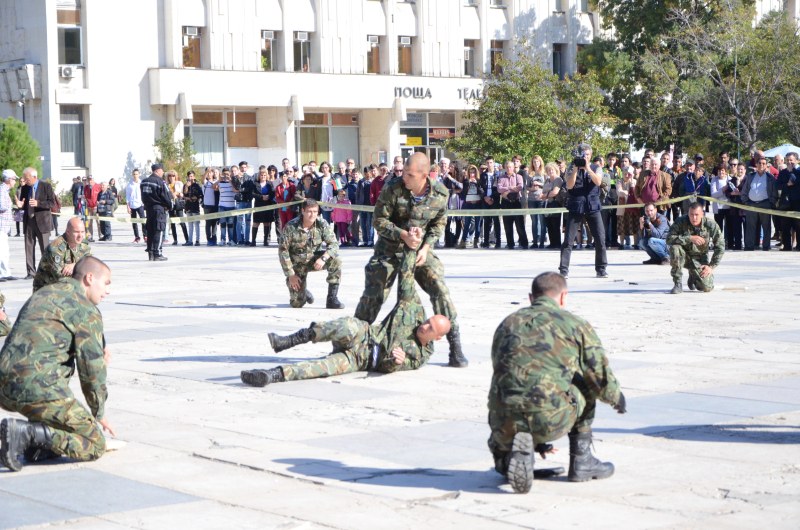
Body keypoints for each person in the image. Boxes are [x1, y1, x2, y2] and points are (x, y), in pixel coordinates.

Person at [488, 272, 626, 493]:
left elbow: (500, 368)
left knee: (514, 382)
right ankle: (582, 461)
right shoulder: (574, 324)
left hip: (503, 421)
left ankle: (510, 458)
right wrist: (617, 398)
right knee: (583, 383)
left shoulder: (507, 323)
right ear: (563, 297)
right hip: (551, 418)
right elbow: (599, 376)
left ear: (531, 298)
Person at [241, 248, 450, 387]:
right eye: (428, 322)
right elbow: (406, 279)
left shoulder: (421, 356)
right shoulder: (414, 312)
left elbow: (385, 367)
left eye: (430, 328)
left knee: (324, 368)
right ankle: (294, 338)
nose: (424, 326)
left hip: (362, 359)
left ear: (437, 338)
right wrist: (412, 249)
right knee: (349, 325)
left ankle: (271, 375)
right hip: (364, 335)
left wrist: (397, 362)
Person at [354, 152, 468, 368]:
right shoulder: (392, 187)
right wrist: (402, 234)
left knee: (440, 289)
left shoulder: (440, 193)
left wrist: (426, 247)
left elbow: (438, 224)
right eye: (404, 172)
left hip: (419, 251)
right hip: (390, 248)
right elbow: (378, 220)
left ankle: (455, 345)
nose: (404, 177)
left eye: (410, 174)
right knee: (373, 294)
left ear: (424, 175)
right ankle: (352, 340)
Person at [0, 256, 114, 472]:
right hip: (37, 387)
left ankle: (38, 444)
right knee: (94, 444)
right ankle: (27, 434)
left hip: (3, 384)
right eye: (106, 283)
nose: (107, 291)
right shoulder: (85, 309)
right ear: (90, 278)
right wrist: (99, 413)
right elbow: (91, 371)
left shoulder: (44, 292)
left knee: (63, 422)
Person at [278, 199, 343, 309]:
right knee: (297, 304)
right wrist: (291, 275)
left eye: (315, 211)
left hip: (314, 260)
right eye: (309, 211)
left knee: (336, 260)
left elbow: (334, 244)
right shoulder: (291, 227)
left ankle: (332, 299)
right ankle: (303, 291)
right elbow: (283, 251)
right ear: (302, 211)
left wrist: (323, 258)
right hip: (297, 266)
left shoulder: (322, 224)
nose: (312, 215)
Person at [559, 144, 608, 279]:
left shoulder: (596, 167)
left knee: (600, 238)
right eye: (582, 155)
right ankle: (563, 270)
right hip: (576, 205)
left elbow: (598, 182)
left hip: (592, 205)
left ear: (590, 156)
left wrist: (587, 168)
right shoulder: (571, 167)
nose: (584, 157)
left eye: (586, 155)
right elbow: (569, 185)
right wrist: (575, 169)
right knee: (568, 240)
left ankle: (601, 268)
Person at [666, 202, 725, 294]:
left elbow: (720, 246)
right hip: (683, 256)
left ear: (702, 214)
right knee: (675, 248)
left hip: (700, 258)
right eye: (691, 215)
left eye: (697, 215)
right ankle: (677, 283)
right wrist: (689, 238)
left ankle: (693, 276)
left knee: (706, 287)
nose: (694, 218)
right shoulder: (681, 221)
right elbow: (669, 239)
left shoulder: (710, 224)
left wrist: (711, 266)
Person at [32, 216, 92, 292]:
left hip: (68, 290)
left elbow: (91, 266)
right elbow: (60, 278)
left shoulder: (84, 245)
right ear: (68, 232)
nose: (80, 236)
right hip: (47, 293)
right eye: (76, 232)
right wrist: (80, 266)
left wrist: (75, 265)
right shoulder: (56, 248)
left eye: (82, 232)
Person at [18, 168, 57, 279]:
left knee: (45, 248)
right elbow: (23, 203)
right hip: (29, 221)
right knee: (28, 248)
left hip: (42, 222)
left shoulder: (46, 186)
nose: (25, 180)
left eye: (27, 178)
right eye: (24, 178)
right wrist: (20, 205)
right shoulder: (24, 188)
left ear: (34, 177)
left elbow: (52, 203)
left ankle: (46, 272)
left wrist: (38, 203)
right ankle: (31, 272)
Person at [741, 156, 778, 251]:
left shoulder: (770, 178)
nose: (761, 165)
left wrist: (771, 203)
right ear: (756, 165)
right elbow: (744, 190)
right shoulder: (750, 176)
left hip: (765, 204)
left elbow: (774, 192)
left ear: (766, 165)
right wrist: (746, 201)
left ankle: (766, 246)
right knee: (750, 226)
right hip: (751, 204)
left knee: (766, 226)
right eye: (760, 163)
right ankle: (749, 246)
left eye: (764, 163)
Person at [140, 163, 172, 261]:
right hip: (159, 209)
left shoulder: (144, 182)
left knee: (150, 230)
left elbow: (143, 196)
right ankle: (158, 253)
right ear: (157, 171)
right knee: (159, 230)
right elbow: (166, 196)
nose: (163, 173)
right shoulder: (160, 182)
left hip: (148, 209)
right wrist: (169, 206)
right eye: (162, 171)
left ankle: (150, 252)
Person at [497, 161, 528, 249]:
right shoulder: (501, 178)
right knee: (507, 225)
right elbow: (499, 189)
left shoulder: (519, 177)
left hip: (516, 202)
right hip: (506, 203)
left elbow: (520, 187)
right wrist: (511, 188)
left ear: (514, 167)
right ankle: (510, 243)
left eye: (510, 167)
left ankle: (524, 243)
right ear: (504, 168)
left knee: (520, 225)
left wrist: (506, 190)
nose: (509, 168)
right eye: (507, 167)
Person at [776, 152, 799, 251]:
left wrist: (792, 172)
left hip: (798, 202)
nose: (789, 162)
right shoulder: (783, 172)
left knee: (798, 225)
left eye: (791, 160)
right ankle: (787, 246)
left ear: (797, 160)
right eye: (787, 160)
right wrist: (787, 184)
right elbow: (779, 185)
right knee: (785, 225)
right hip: (785, 203)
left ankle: (799, 246)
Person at [0, 170, 18, 281]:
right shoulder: (2, 190)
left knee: (5, 251)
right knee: (1, 251)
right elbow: (2, 206)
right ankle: (2, 274)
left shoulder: (5, 190)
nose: (15, 182)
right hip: (1, 226)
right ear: (9, 179)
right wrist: (11, 205)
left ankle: (6, 273)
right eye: (14, 179)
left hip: (4, 227)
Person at [166, 170, 189, 246]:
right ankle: (175, 240)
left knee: (182, 222)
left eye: (173, 175)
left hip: (178, 204)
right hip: (171, 205)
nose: (171, 177)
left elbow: (183, 194)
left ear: (176, 176)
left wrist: (177, 193)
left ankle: (187, 239)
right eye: (170, 176)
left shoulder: (179, 183)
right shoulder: (166, 185)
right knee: (172, 223)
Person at [183, 171, 203, 246]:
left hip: (195, 207)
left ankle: (197, 240)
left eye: (192, 176)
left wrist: (196, 198)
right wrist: (187, 187)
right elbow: (184, 194)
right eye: (189, 176)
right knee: (190, 225)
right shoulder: (185, 185)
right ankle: (190, 240)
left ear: (194, 177)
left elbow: (200, 195)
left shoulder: (197, 185)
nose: (190, 178)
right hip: (188, 207)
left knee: (196, 224)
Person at [125, 169, 144, 243]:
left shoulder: (142, 183)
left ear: (139, 174)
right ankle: (137, 237)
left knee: (143, 221)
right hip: (132, 205)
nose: (135, 176)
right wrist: (128, 206)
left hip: (140, 204)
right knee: (134, 222)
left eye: (136, 174)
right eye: (134, 174)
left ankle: (145, 236)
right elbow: (128, 195)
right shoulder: (130, 184)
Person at [202, 167, 219, 245]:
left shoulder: (216, 181)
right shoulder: (206, 182)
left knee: (214, 223)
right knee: (208, 223)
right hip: (207, 205)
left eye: (210, 172)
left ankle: (214, 238)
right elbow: (202, 180)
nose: (209, 174)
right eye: (208, 173)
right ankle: (209, 239)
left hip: (215, 205)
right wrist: (206, 172)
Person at [82, 175, 101, 242]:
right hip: (89, 207)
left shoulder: (98, 186)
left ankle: (100, 235)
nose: (90, 181)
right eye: (89, 180)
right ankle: (90, 236)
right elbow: (85, 197)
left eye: (91, 179)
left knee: (98, 222)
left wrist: (99, 202)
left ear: (93, 179)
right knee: (89, 223)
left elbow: (101, 195)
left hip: (96, 207)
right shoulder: (86, 187)